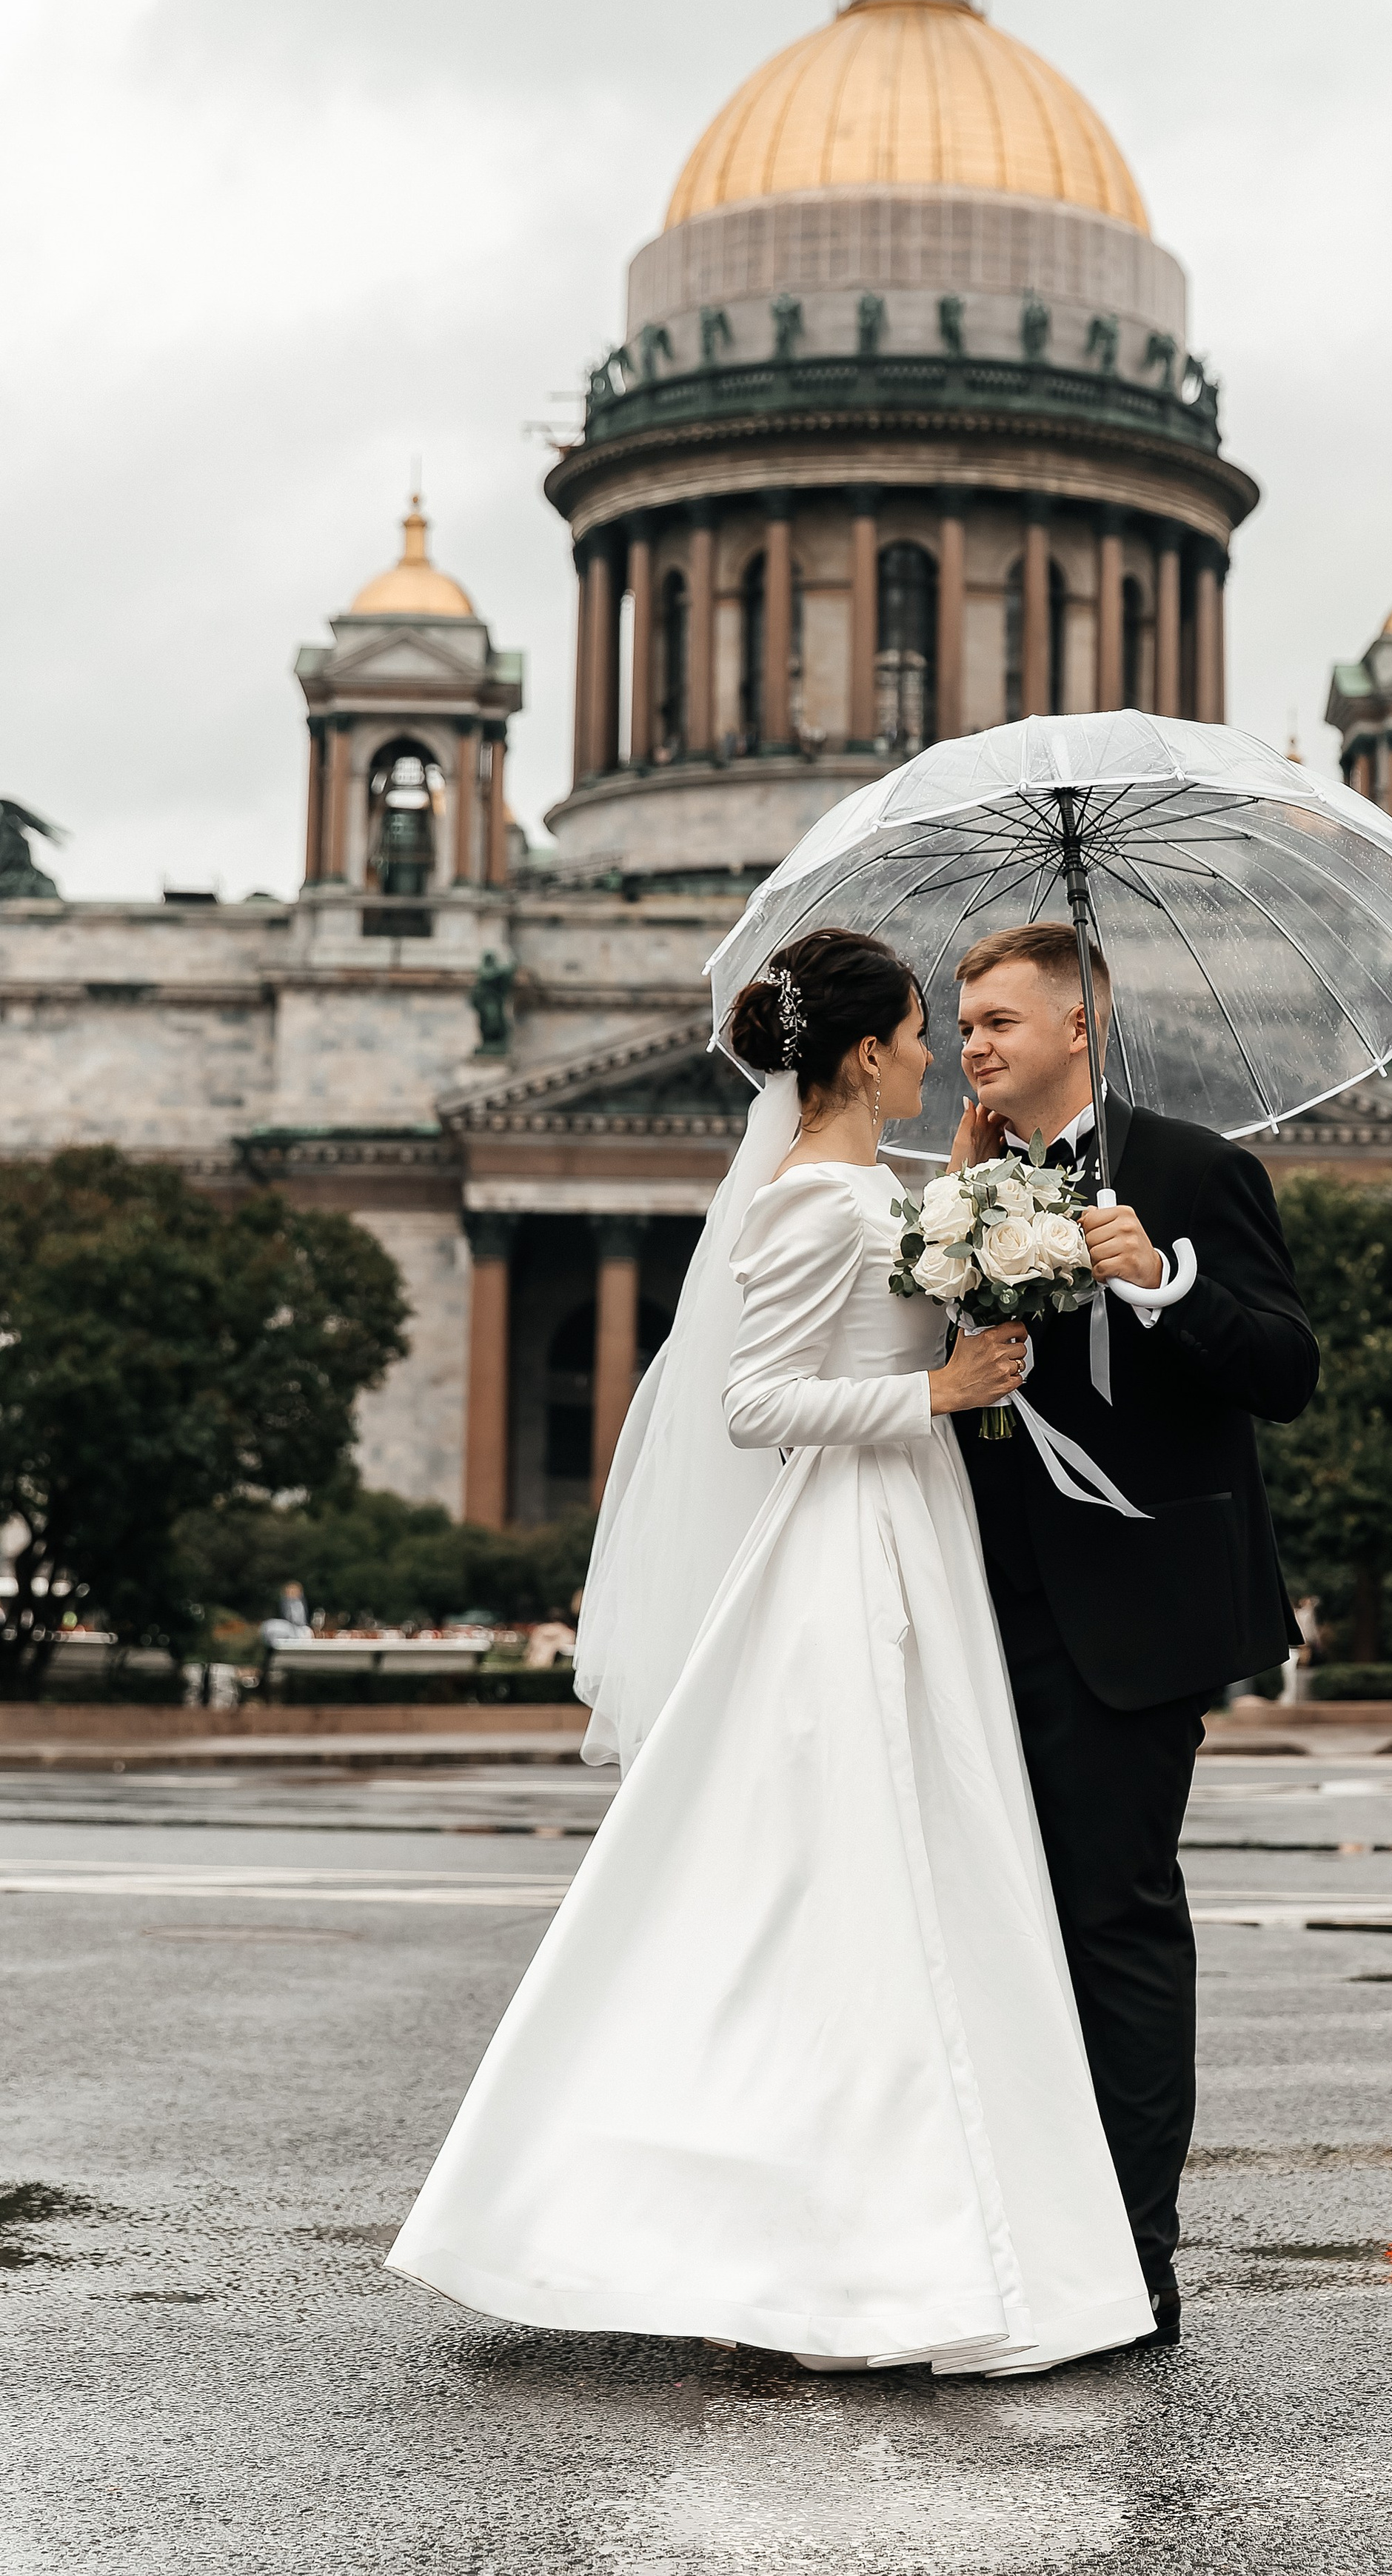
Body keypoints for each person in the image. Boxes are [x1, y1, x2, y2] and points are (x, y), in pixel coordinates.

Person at [387, 928, 1154, 2374]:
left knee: (904, 1878)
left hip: (902, 1541)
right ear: (864, 1054)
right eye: (922, 1032)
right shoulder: (813, 1202)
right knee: (862, 1884)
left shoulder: (874, 1187)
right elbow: (757, 1403)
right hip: (848, 1554)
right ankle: (856, 2253)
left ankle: (908, 2233)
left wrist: (995, 1218)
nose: (938, 1055)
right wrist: (933, 1394)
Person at [948, 924, 1319, 2346]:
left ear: (1080, 1022)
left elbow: (1284, 1369)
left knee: (1115, 1923)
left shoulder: (1193, 1169)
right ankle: (1015, 2227)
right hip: (980, 1601)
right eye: (962, 1022)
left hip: (1137, 1616)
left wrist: (1164, 1282)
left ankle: (1134, 2255)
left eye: (997, 1019)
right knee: (1000, 1931)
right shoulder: (965, 1185)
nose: (972, 1042)